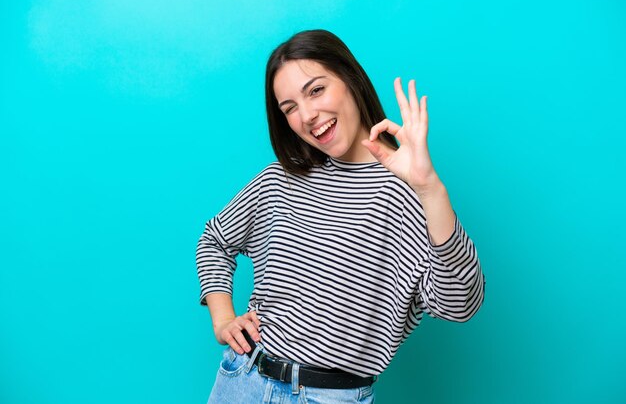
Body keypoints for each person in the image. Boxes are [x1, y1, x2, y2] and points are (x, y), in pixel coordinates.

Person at [196, 29, 485, 404]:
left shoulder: (406, 191)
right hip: (244, 381)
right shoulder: (280, 179)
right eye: (290, 108)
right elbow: (215, 239)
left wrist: (430, 187)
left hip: (330, 396)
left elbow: (461, 305)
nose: (308, 115)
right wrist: (223, 319)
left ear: (350, 78)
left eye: (316, 90)